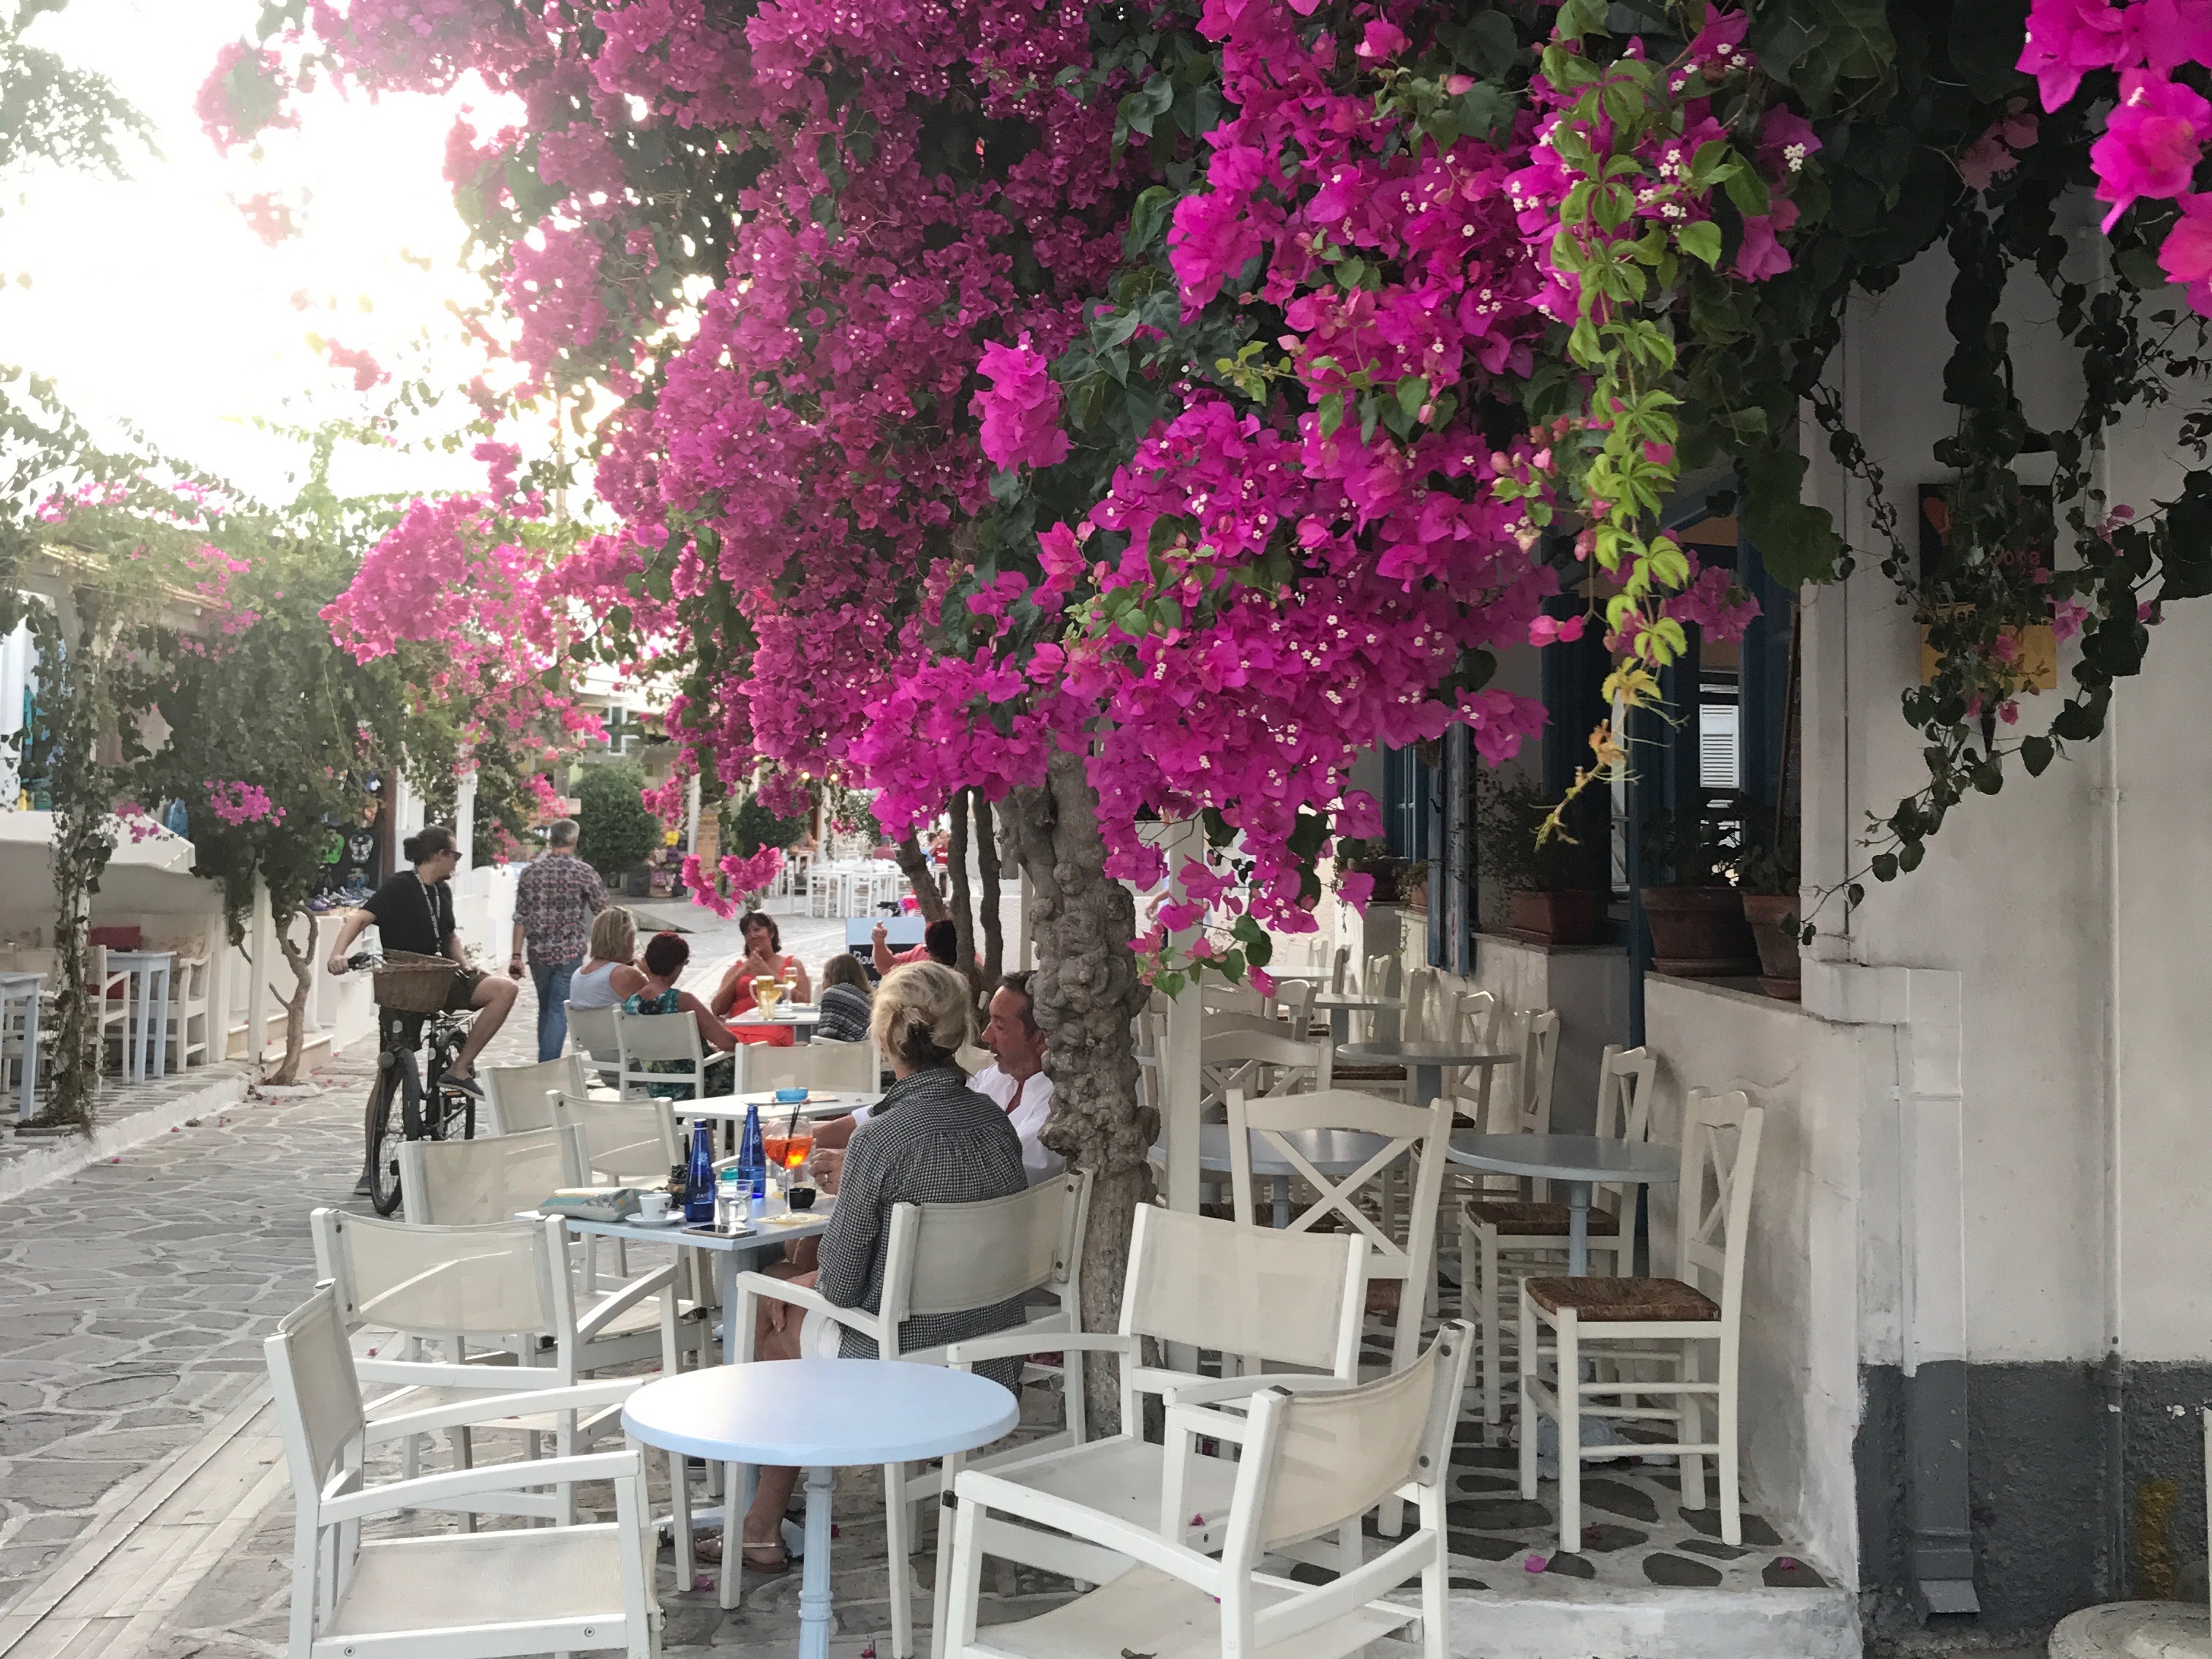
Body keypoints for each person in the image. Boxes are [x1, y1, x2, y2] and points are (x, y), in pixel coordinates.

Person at [737, 962, 1026, 1572]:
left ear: (889, 1035)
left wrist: (800, 1284)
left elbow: (842, 1288)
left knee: (775, 1321)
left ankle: (762, 1524)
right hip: (993, 1352)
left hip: (903, 1358)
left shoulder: (882, 1139)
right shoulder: (995, 1124)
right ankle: (767, 1520)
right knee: (796, 1291)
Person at [326, 824, 519, 1188]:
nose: (458, 862)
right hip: (405, 987)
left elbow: (449, 936)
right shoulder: (400, 886)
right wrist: (338, 953)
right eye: (455, 855)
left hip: (443, 979)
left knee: (503, 991)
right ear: (438, 854)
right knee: (390, 1076)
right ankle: (370, 1167)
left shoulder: (441, 891)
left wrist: (464, 966)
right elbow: (361, 917)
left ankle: (458, 1069)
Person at [810, 971, 1059, 1184]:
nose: (985, 1036)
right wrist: (805, 1135)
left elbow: (999, 1173)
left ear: (1041, 1039)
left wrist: (867, 1172)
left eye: (1000, 1027)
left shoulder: (1060, 1106)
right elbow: (910, 1110)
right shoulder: (996, 1077)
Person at [508, 819, 608, 1061]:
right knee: (558, 1010)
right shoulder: (584, 872)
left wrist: (516, 956)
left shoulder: (530, 873)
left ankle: (545, 1064)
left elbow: (520, 917)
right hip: (570, 952)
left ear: (551, 840)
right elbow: (603, 911)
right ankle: (548, 1067)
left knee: (546, 1008)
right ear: (574, 840)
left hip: (538, 953)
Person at [622, 930, 738, 1096]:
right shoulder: (682, 1001)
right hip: (695, 1084)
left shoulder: (632, 1004)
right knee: (746, 1061)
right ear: (677, 966)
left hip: (657, 1085)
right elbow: (728, 1043)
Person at [709, 911, 813, 1018]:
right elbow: (717, 1009)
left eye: (757, 930)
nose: (752, 936)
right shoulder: (737, 969)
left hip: (778, 1025)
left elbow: (805, 1004)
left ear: (771, 933)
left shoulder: (792, 965)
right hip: (740, 1026)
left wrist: (768, 974)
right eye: (747, 932)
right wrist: (740, 973)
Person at [569, 906, 647, 1011]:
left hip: (587, 1027)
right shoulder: (625, 975)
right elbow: (662, 1005)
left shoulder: (578, 974)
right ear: (626, 939)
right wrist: (648, 972)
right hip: (619, 1028)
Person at [813, 952, 873, 1044]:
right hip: (867, 1051)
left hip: (848, 1052)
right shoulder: (865, 996)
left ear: (830, 975)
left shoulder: (834, 994)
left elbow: (826, 1035)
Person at [869, 915, 958, 977]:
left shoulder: (968, 963)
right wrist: (879, 943)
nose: (929, 956)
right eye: (926, 948)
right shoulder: (920, 952)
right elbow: (887, 967)